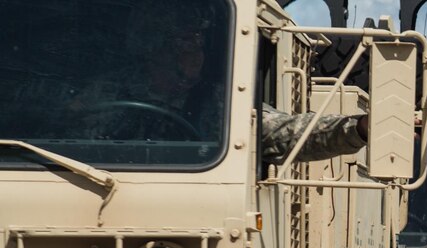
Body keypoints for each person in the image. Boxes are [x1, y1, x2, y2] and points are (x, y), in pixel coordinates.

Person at [80, 1, 367, 165]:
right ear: (155, 48)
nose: (196, 52)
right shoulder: (105, 94)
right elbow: (73, 145)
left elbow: (286, 134)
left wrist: (357, 129)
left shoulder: (218, 103)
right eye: (185, 41)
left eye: (199, 41)